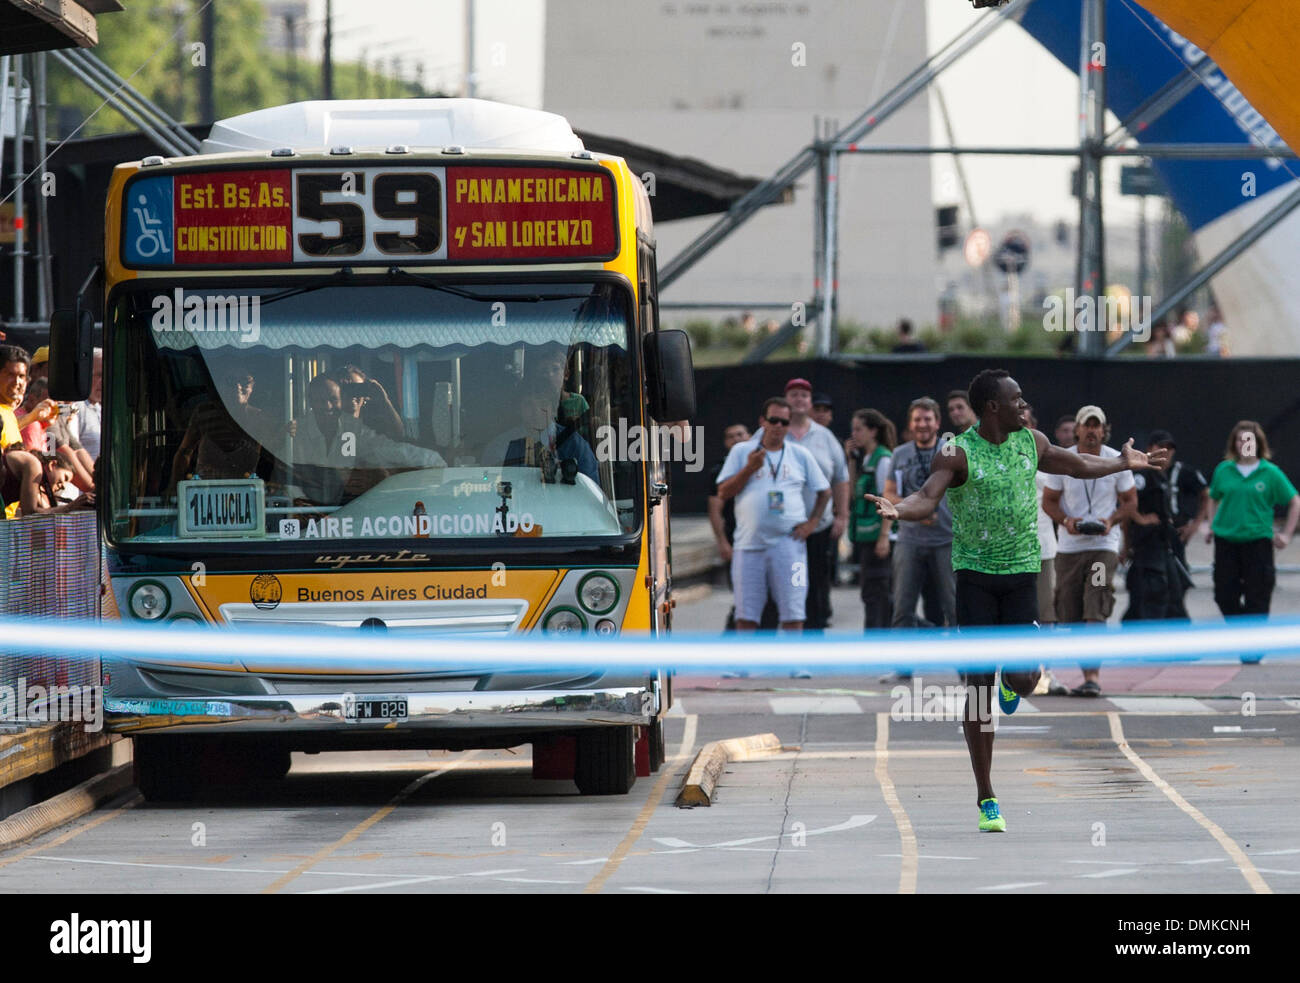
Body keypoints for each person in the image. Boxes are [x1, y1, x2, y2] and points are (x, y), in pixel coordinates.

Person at [867, 369, 1165, 832]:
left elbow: (1077, 464)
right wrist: (898, 509)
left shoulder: (1031, 441)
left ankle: (1015, 685)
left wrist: (1123, 463)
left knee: (1026, 676)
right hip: (975, 578)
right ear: (992, 407)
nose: (1023, 406)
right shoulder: (957, 451)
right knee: (979, 690)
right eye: (1016, 400)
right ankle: (986, 793)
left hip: (1024, 574)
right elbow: (927, 498)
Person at [1041, 405, 1137, 697]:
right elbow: (1049, 502)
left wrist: (1112, 520)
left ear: (1104, 430)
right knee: (1069, 611)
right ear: (1078, 429)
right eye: (1088, 425)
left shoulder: (1115, 459)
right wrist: (1067, 521)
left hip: (1102, 546)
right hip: (1070, 547)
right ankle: (1084, 671)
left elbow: (1130, 502)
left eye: (1098, 426)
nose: (1093, 431)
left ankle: (1092, 676)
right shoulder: (1063, 459)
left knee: (1095, 602)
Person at [716, 396, 831, 634]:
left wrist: (812, 523)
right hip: (749, 545)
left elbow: (825, 491)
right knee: (746, 611)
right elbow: (723, 492)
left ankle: (795, 662)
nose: (779, 426)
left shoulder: (800, 454)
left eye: (784, 422)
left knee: (795, 607)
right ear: (762, 421)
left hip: (790, 545)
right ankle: (744, 666)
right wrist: (749, 469)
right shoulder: (742, 452)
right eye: (774, 420)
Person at [1203, 421, 1299, 663]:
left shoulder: (1270, 472)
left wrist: (1287, 534)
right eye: (1240, 440)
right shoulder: (1224, 470)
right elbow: (1213, 498)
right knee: (1224, 594)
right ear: (1234, 444)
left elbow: (1294, 501)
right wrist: (1212, 525)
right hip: (1227, 542)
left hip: (1258, 543)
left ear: (1258, 444)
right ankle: (1242, 632)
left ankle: (1252, 646)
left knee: (1258, 595)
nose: (1244, 444)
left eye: (1249, 440)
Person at [287, 374, 446, 505]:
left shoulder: (353, 430)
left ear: (342, 401)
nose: (327, 406)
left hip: (347, 515)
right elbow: (286, 474)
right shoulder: (296, 432)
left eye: (333, 399)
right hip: (307, 519)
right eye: (320, 400)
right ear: (311, 402)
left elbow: (390, 450)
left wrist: (433, 461)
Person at [783, 378, 849, 634]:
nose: (799, 399)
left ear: (809, 403)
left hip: (819, 526)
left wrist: (842, 514)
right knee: (789, 582)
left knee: (816, 581)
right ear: (786, 400)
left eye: (804, 395)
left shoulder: (825, 437)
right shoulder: (775, 431)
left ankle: (814, 633)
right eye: (794, 394)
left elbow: (841, 478)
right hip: (784, 528)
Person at [481, 346, 599, 485]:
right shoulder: (500, 448)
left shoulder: (575, 446)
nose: (536, 411)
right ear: (519, 409)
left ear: (553, 408)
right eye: (528, 405)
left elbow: (592, 492)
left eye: (542, 404)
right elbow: (489, 489)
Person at [709, 422, 777, 632]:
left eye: (741, 434)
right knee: (744, 597)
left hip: (768, 540)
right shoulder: (720, 471)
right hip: (739, 540)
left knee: (773, 595)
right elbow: (715, 509)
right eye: (731, 436)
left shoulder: (770, 464)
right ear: (726, 443)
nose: (737, 439)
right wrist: (722, 542)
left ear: (750, 437)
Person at [1123, 430, 1194, 622]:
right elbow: (1124, 500)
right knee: (1151, 596)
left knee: (1174, 594)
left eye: (1170, 448)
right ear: (1149, 449)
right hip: (1147, 547)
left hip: (1164, 545)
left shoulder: (1160, 477)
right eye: (1161, 447)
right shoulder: (1142, 475)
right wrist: (1139, 518)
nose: (1166, 451)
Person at [1022, 404, 1067, 696]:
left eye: (1025, 419)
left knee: (1047, 615)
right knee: (1017, 616)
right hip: (1009, 548)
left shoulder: (1043, 450)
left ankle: (1046, 673)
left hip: (1043, 544)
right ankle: (1014, 673)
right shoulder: (996, 451)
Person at [846, 408, 895, 629]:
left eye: (859, 429)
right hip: (866, 534)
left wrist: (884, 536)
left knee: (878, 590)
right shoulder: (865, 457)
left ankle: (879, 637)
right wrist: (851, 460)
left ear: (873, 431)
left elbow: (888, 499)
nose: (854, 434)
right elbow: (853, 493)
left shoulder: (883, 459)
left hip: (878, 536)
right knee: (869, 590)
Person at [0, 345, 51, 518]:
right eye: (10, 375)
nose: (17, 382)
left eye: (21, 376)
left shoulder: (7, 412)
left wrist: (33, 417)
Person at [67, 347, 102, 460]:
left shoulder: (99, 408)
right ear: (84, 375)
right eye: (99, 375)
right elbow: (72, 450)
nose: (104, 381)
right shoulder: (74, 407)